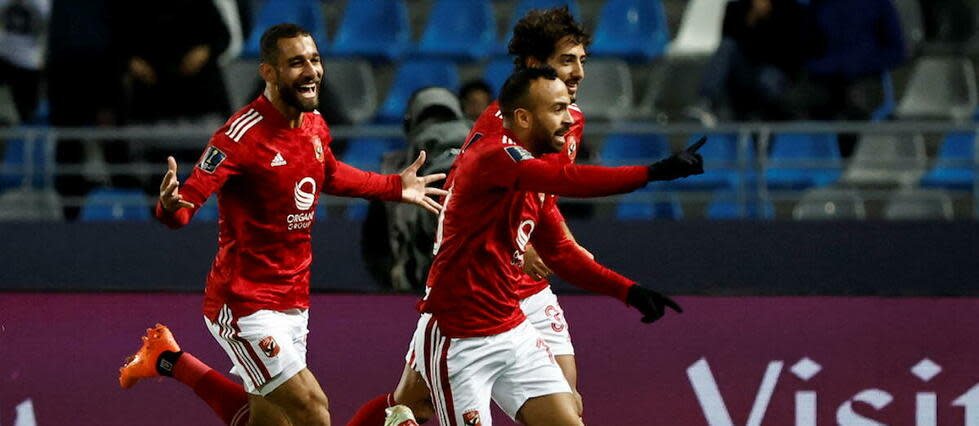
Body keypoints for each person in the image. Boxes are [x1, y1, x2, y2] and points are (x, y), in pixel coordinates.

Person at [118, 23, 447, 426]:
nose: (310, 71)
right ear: (269, 73)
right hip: (243, 303)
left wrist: (396, 186)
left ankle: (168, 360)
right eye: (296, 63)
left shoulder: (314, 125)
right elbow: (186, 205)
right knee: (312, 408)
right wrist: (170, 206)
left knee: (272, 421)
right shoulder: (239, 136)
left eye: (314, 60)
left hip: (294, 300)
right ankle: (169, 360)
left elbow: (329, 173)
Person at [346, 8, 606, 424]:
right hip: (471, 297)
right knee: (411, 404)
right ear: (536, 67)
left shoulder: (570, 119)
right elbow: (461, 204)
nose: (578, 73)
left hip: (526, 294)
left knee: (568, 402)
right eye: (566, 61)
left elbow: (542, 197)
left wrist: (562, 243)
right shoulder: (495, 128)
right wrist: (521, 247)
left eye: (581, 61)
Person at [403, 66, 694, 425]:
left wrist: (629, 291)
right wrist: (653, 172)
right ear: (523, 117)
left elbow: (561, 252)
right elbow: (571, 178)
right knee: (408, 404)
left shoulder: (533, 180)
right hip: (459, 340)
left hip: (512, 328)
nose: (568, 119)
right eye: (556, 110)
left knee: (571, 415)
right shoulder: (496, 157)